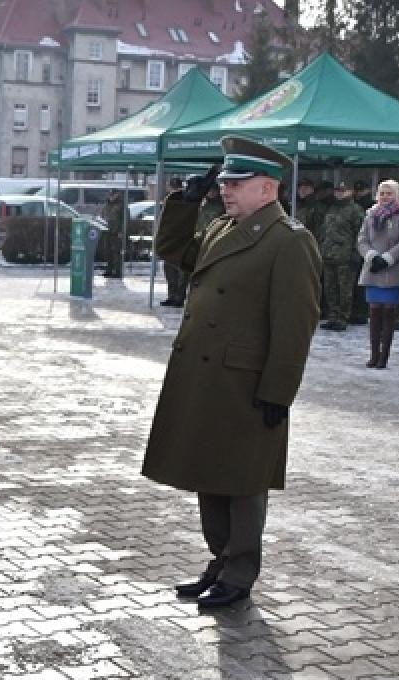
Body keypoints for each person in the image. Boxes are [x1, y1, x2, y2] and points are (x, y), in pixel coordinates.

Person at [144, 137, 322, 612]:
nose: (226, 190)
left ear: (268, 188)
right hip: (208, 378)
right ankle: (220, 560)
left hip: (247, 382)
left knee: (243, 482)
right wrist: (184, 201)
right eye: (223, 182)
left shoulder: (288, 240)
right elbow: (173, 248)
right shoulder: (224, 229)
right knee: (210, 472)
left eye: (237, 183)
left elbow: (296, 323)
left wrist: (278, 392)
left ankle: (240, 571)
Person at [356, 179, 399, 369]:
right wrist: (372, 257)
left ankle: (384, 356)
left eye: (389, 193)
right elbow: (362, 240)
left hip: (392, 269)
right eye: (382, 193)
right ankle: (374, 354)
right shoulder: (370, 215)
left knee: (388, 312)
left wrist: (388, 258)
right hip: (373, 269)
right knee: (374, 312)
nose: (385, 197)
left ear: (396, 195)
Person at [317, 180, 364, 331]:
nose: (339, 193)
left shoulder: (355, 210)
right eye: (337, 190)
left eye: (343, 190)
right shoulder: (332, 208)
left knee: (345, 290)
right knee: (330, 288)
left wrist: (355, 254)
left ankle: (343, 318)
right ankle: (333, 316)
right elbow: (324, 231)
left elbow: (360, 234)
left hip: (345, 257)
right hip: (329, 255)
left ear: (350, 192)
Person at [161, 176, 188, 306]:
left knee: (181, 273)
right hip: (170, 241)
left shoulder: (185, 200)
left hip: (181, 241)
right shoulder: (169, 200)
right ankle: (172, 296)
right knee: (169, 270)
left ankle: (179, 297)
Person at [101, 189, 126, 279]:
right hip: (106, 231)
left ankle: (117, 271)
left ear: (117, 195)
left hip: (116, 232)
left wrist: (122, 231)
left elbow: (125, 220)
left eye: (113, 194)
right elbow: (102, 216)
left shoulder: (121, 205)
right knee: (107, 252)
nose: (111, 196)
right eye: (110, 194)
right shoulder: (106, 205)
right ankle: (109, 270)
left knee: (116, 252)